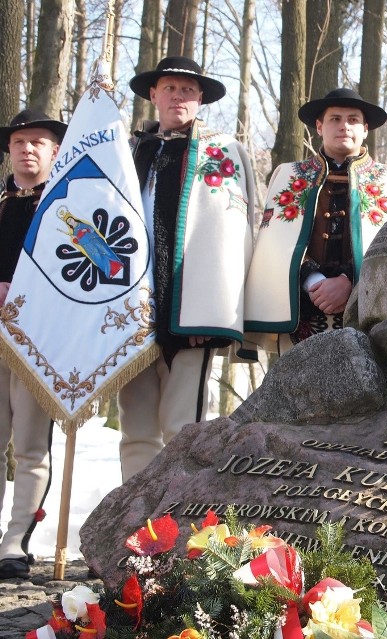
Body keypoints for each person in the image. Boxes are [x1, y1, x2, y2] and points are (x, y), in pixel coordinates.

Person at [119, 56, 255, 481]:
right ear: (153, 95)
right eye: (170, 88)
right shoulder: (129, 152)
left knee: (184, 428)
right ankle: (131, 529)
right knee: (135, 429)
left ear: (200, 100)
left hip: (192, 310)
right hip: (130, 310)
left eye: (187, 90)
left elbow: (233, 234)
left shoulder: (222, 152)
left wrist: (216, 309)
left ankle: (178, 524)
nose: (178, 96)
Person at [244, 88, 387, 349]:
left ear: (366, 128)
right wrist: (313, 282)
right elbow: (274, 249)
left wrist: (349, 283)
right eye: (335, 119)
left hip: (368, 318)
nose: (344, 126)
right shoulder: (287, 177)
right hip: (300, 314)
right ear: (319, 126)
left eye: (353, 119)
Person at [0, 109, 66, 578]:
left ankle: (15, 541)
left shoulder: (66, 207)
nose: (27, 149)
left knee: (30, 445)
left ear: (55, 151)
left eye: (37, 142)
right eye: (20, 141)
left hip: (38, 338)